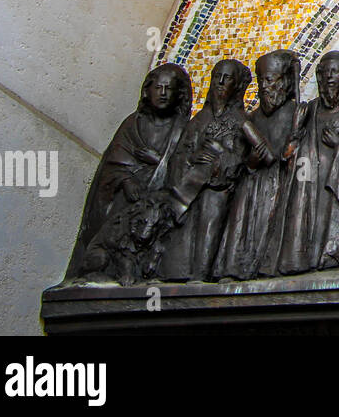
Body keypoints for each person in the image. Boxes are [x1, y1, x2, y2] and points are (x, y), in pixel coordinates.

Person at [65, 63, 193, 279]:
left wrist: (157, 161)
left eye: (168, 89)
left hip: (152, 206)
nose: (162, 94)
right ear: (147, 90)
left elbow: (182, 173)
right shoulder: (132, 124)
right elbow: (112, 165)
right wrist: (126, 180)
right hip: (123, 199)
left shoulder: (182, 130)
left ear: (179, 95)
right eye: (158, 87)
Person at [270, 51, 339, 273]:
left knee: (330, 224)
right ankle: (300, 257)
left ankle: (332, 255)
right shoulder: (311, 108)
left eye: (333, 71)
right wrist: (296, 131)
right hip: (308, 182)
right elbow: (289, 155)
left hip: (336, 184)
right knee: (303, 217)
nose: (328, 77)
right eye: (323, 72)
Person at [213, 50, 302, 280]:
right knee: (241, 225)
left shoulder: (295, 113)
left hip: (278, 184)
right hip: (251, 185)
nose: (264, 86)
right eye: (261, 80)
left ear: (284, 82)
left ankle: (266, 266)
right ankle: (234, 268)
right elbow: (239, 161)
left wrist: (292, 146)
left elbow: (299, 157)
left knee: (269, 225)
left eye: (270, 80)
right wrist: (251, 161)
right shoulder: (251, 119)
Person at [160, 58, 252, 281]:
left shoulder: (241, 120)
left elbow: (246, 157)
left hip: (218, 188)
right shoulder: (200, 119)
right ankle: (175, 273)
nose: (220, 82)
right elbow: (180, 154)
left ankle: (202, 275)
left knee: (211, 223)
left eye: (227, 78)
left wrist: (221, 160)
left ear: (236, 85)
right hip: (190, 185)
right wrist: (192, 158)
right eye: (216, 77)